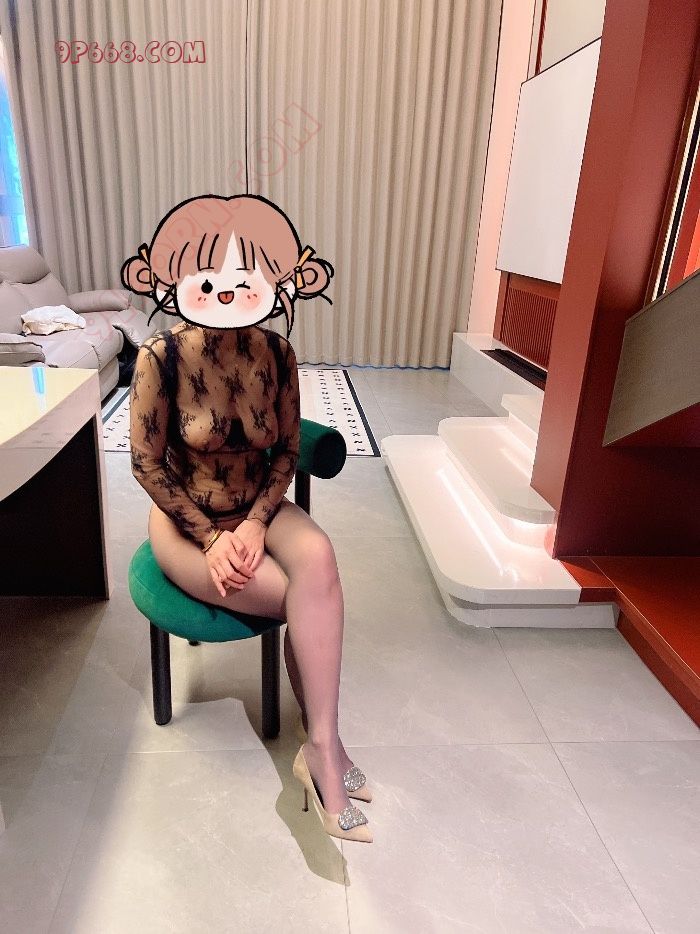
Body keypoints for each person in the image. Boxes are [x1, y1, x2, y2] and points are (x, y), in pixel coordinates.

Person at [122, 194, 373, 843]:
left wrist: (259, 522)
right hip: (185, 520)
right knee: (303, 599)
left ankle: (323, 743)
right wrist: (211, 539)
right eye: (210, 281)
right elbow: (145, 463)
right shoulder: (160, 358)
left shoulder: (277, 353)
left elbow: (285, 450)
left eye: (245, 279)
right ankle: (326, 750)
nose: (228, 294)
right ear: (179, 281)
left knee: (319, 561)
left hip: (256, 505)